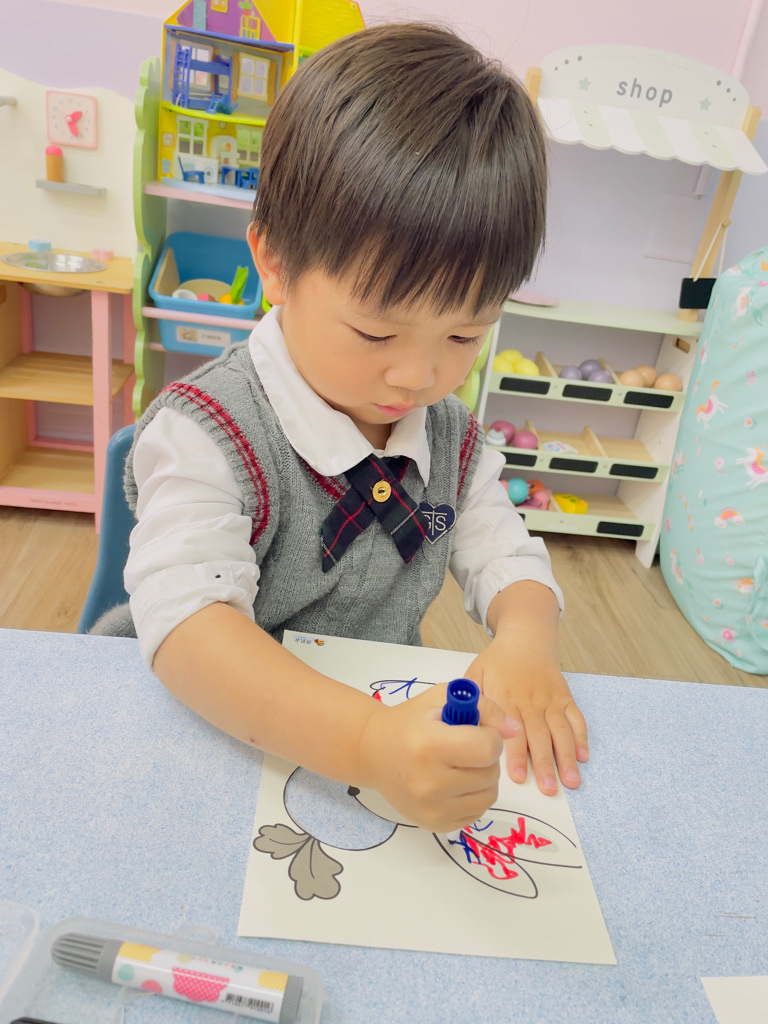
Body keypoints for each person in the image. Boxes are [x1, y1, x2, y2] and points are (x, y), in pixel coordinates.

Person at [103, 22, 588, 834]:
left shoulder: (449, 442)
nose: (418, 376)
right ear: (275, 263)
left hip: (372, 752)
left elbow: (504, 552)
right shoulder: (210, 435)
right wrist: (368, 743)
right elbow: (189, 627)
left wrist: (525, 640)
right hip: (202, 735)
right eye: (375, 332)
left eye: (464, 335)